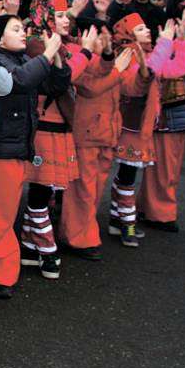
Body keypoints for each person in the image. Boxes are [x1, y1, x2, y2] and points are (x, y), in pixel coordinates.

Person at [0, 12, 67, 298]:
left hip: (14, 148)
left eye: (23, 28)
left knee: (0, 213)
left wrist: (56, 59)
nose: (23, 33)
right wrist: (47, 54)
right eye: (16, 29)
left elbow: (56, 86)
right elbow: (20, 82)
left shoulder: (22, 59)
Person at [21, 0, 103, 279]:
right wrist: (87, 52)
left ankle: (30, 246)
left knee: (46, 190)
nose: (66, 20)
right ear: (44, 18)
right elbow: (65, 75)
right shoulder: (35, 45)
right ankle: (46, 248)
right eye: (59, 15)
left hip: (59, 125)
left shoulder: (61, 44)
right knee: (41, 190)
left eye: (68, 15)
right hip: (45, 125)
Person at [110, 13, 185, 247]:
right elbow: (147, 75)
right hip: (130, 125)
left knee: (126, 174)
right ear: (128, 35)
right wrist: (165, 42)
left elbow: (177, 69)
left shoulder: (147, 53)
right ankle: (127, 224)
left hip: (142, 125)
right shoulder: (128, 54)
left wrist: (181, 41)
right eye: (140, 29)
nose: (147, 31)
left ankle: (117, 219)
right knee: (127, 175)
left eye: (147, 28)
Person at [59, 20, 131, 261]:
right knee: (83, 189)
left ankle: (84, 232)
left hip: (106, 134)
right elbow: (91, 88)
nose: (105, 41)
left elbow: (111, 75)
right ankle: (77, 237)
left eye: (107, 37)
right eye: (100, 37)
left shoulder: (107, 62)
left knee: (95, 189)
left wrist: (112, 56)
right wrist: (118, 69)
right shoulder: (79, 58)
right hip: (87, 134)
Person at [138, 8, 185, 232]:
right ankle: (160, 213)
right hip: (165, 121)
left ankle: (147, 207)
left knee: (163, 170)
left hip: (174, 120)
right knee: (163, 171)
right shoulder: (157, 54)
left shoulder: (180, 51)